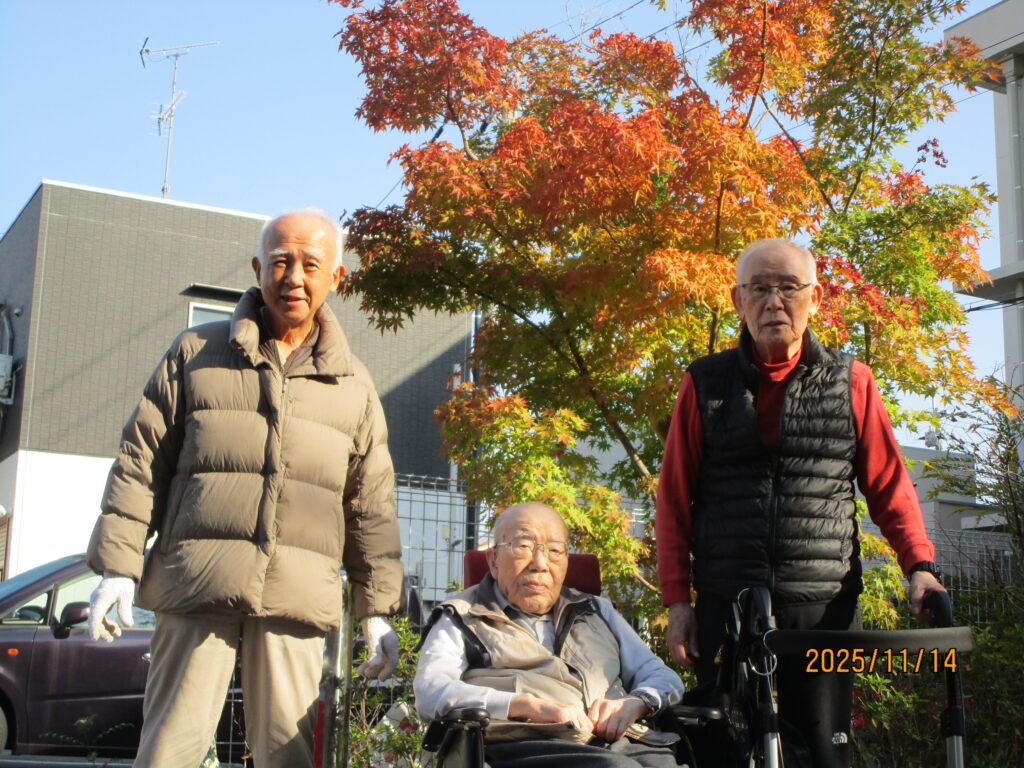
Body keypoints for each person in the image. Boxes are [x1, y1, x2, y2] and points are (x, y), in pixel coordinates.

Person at [85, 209, 404, 768]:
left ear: (337, 277)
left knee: (289, 753)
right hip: (194, 582)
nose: (294, 278)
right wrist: (118, 567)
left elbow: (370, 506)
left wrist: (376, 610)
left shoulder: (355, 385)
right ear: (258, 269)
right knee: (168, 751)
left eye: (311, 264)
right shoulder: (195, 352)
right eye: (280, 261)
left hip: (295, 594)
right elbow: (141, 463)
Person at [655, 238, 947, 767]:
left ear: (815, 298)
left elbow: (889, 486)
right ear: (737, 300)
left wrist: (920, 567)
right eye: (759, 288)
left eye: (789, 287)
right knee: (723, 752)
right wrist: (678, 601)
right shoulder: (704, 382)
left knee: (822, 753)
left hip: (823, 608)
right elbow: (673, 496)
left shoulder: (851, 381)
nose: (774, 302)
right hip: (726, 603)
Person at [415, 502, 685, 768]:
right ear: (493, 560)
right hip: (527, 743)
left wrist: (637, 703)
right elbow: (430, 691)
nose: (540, 564)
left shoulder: (596, 610)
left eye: (555, 550)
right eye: (523, 547)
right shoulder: (463, 614)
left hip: (622, 740)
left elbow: (661, 676)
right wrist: (526, 706)